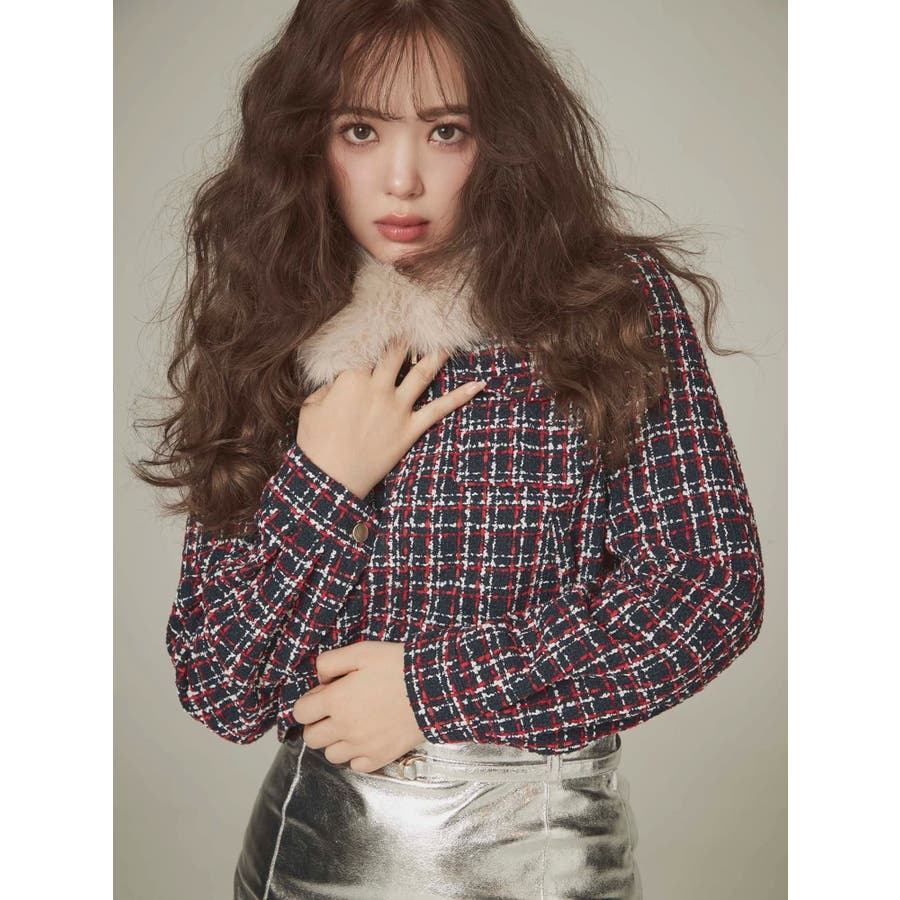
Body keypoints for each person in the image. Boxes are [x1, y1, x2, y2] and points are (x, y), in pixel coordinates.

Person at [132, 2, 765, 897]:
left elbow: (707, 588)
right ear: (308, 140)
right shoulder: (274, 316)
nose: (403, 180)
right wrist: (324, 482)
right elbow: (221, 686)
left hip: (538, 855)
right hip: (308, 855)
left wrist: (428, 690)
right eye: (360, 131)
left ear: (501, 138)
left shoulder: (607, 304)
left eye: (445, 131)